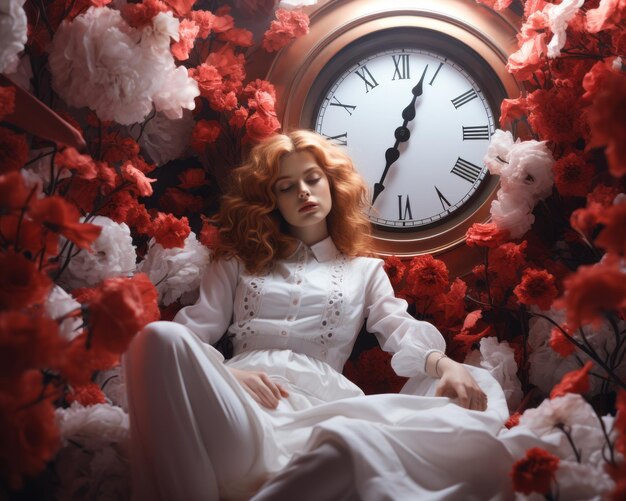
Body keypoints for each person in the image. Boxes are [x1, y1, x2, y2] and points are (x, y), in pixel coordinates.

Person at [123, 130, 514, 501]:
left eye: (312, 179)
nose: (303, 192)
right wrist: (225, 374)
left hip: (322, 413)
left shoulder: (364, 271)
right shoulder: (237, 264)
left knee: (357, 442)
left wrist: (445, 364)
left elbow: (397, 328)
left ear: (331, 183)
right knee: (159, 338)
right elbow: (191, 335)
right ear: (270, 199)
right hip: (240, 407)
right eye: (286, 186)